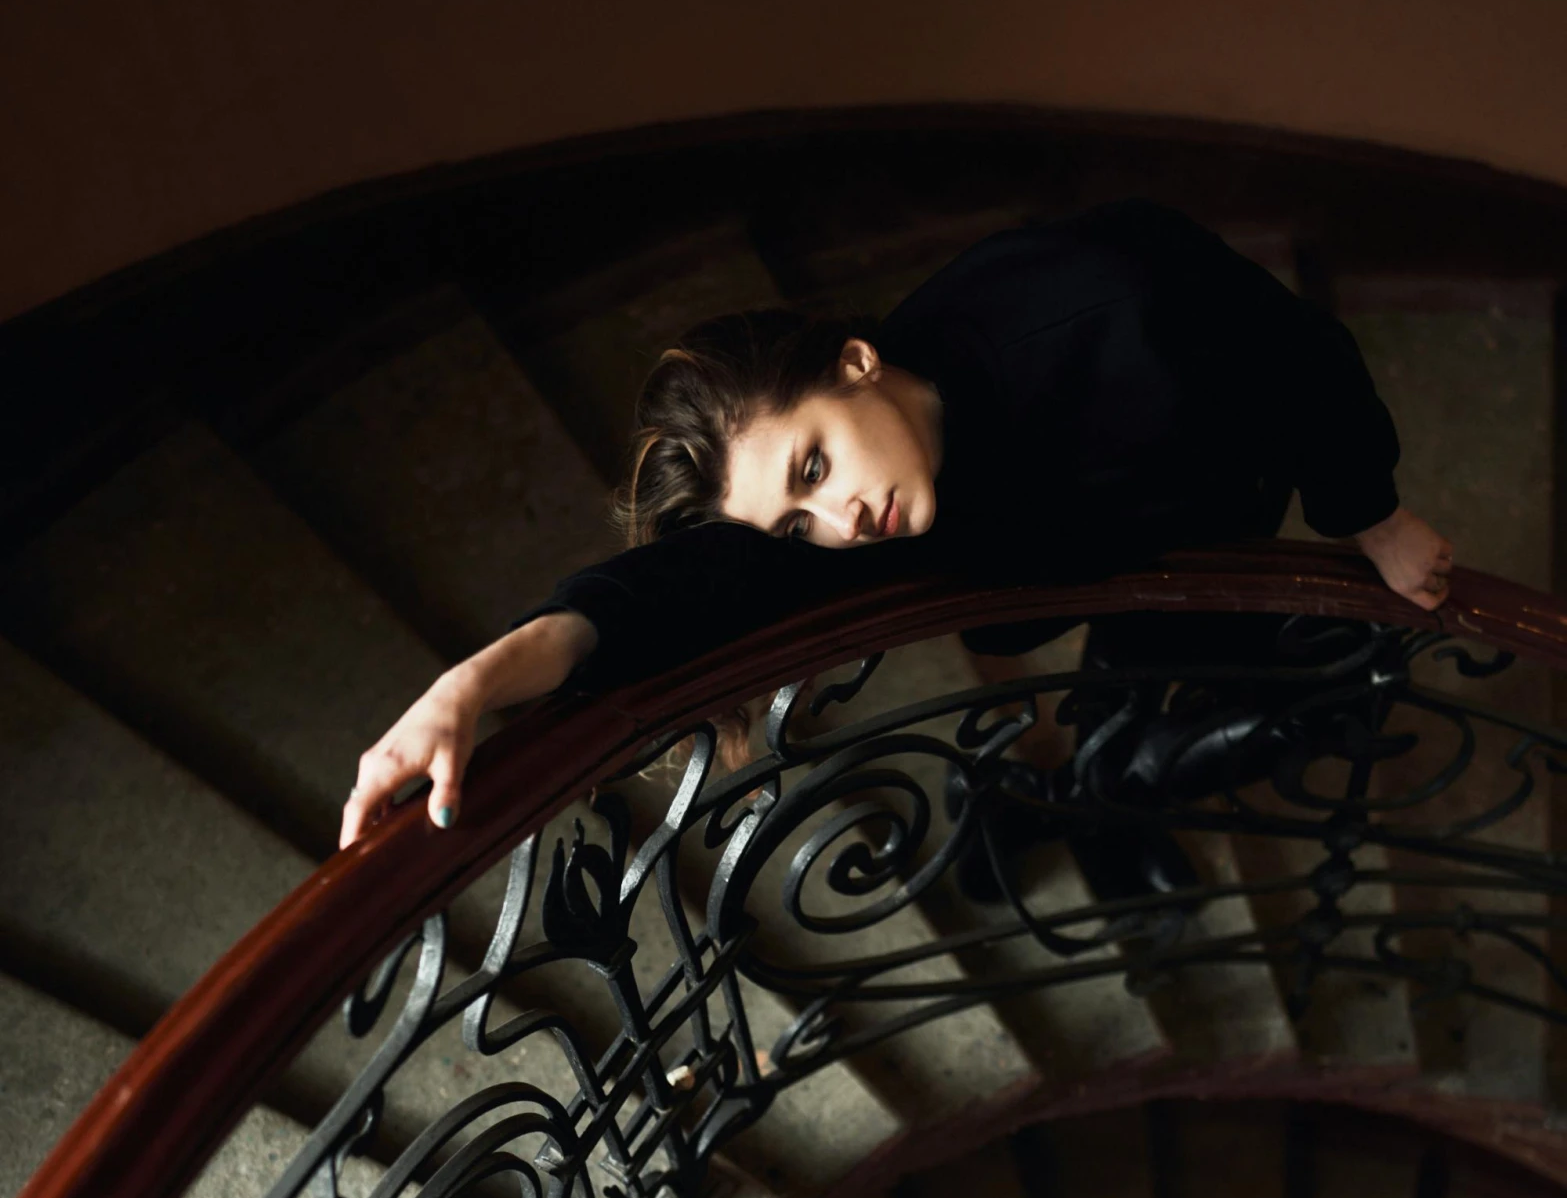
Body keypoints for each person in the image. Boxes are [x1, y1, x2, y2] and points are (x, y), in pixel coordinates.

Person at [337, 200, 1453, 848]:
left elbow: (1308, 364)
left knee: (1177, 653)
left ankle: (1114, 784)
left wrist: (1373, 517)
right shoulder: (858, 507)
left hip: (1198, 478)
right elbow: (679, 584)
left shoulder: (1121, 317)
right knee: (1039, 658)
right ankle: (1053, 779)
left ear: (857, 363)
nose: (840, 524)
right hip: (1036, 551)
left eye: (814, 463)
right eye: (797, 520)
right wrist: (470, 685)